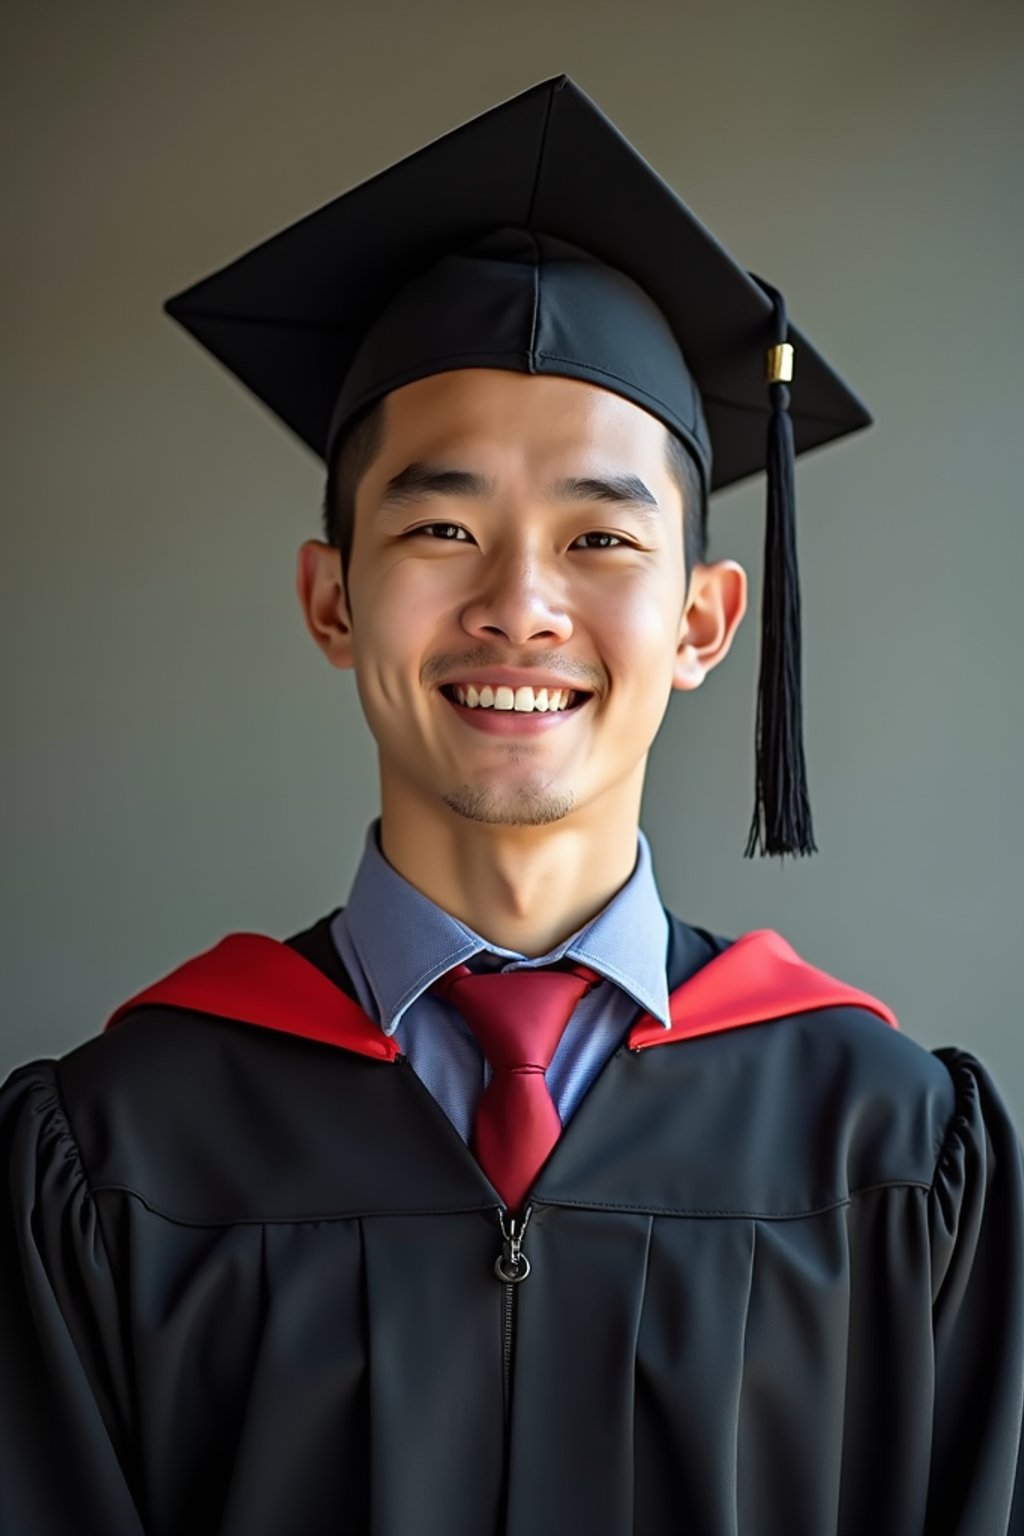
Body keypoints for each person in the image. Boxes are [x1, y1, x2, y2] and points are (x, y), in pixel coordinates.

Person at [1, 74, 1021, 1536]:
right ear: (331, 598)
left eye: (600, 535)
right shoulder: (116, 1153)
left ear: (704, 623)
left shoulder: (893, 1153)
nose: (520, 605)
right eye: (441, 527)